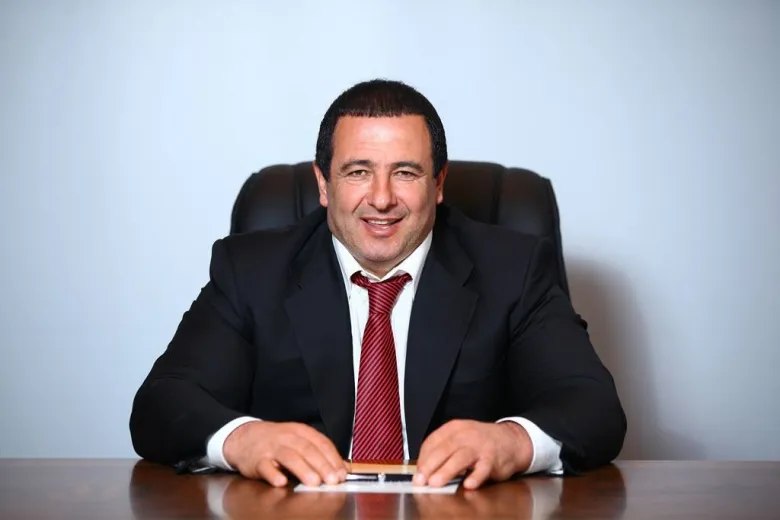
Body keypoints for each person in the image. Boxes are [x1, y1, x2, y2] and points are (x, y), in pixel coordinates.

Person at [129, 79, 626, 490]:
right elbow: (162, 403)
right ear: (323, 184)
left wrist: (512, 442)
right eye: (358, 172)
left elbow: (594, 407)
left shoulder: (512, 270)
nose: (382, 198)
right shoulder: (251, 270)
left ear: (438, 183)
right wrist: (243, 439)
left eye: (405, 172)